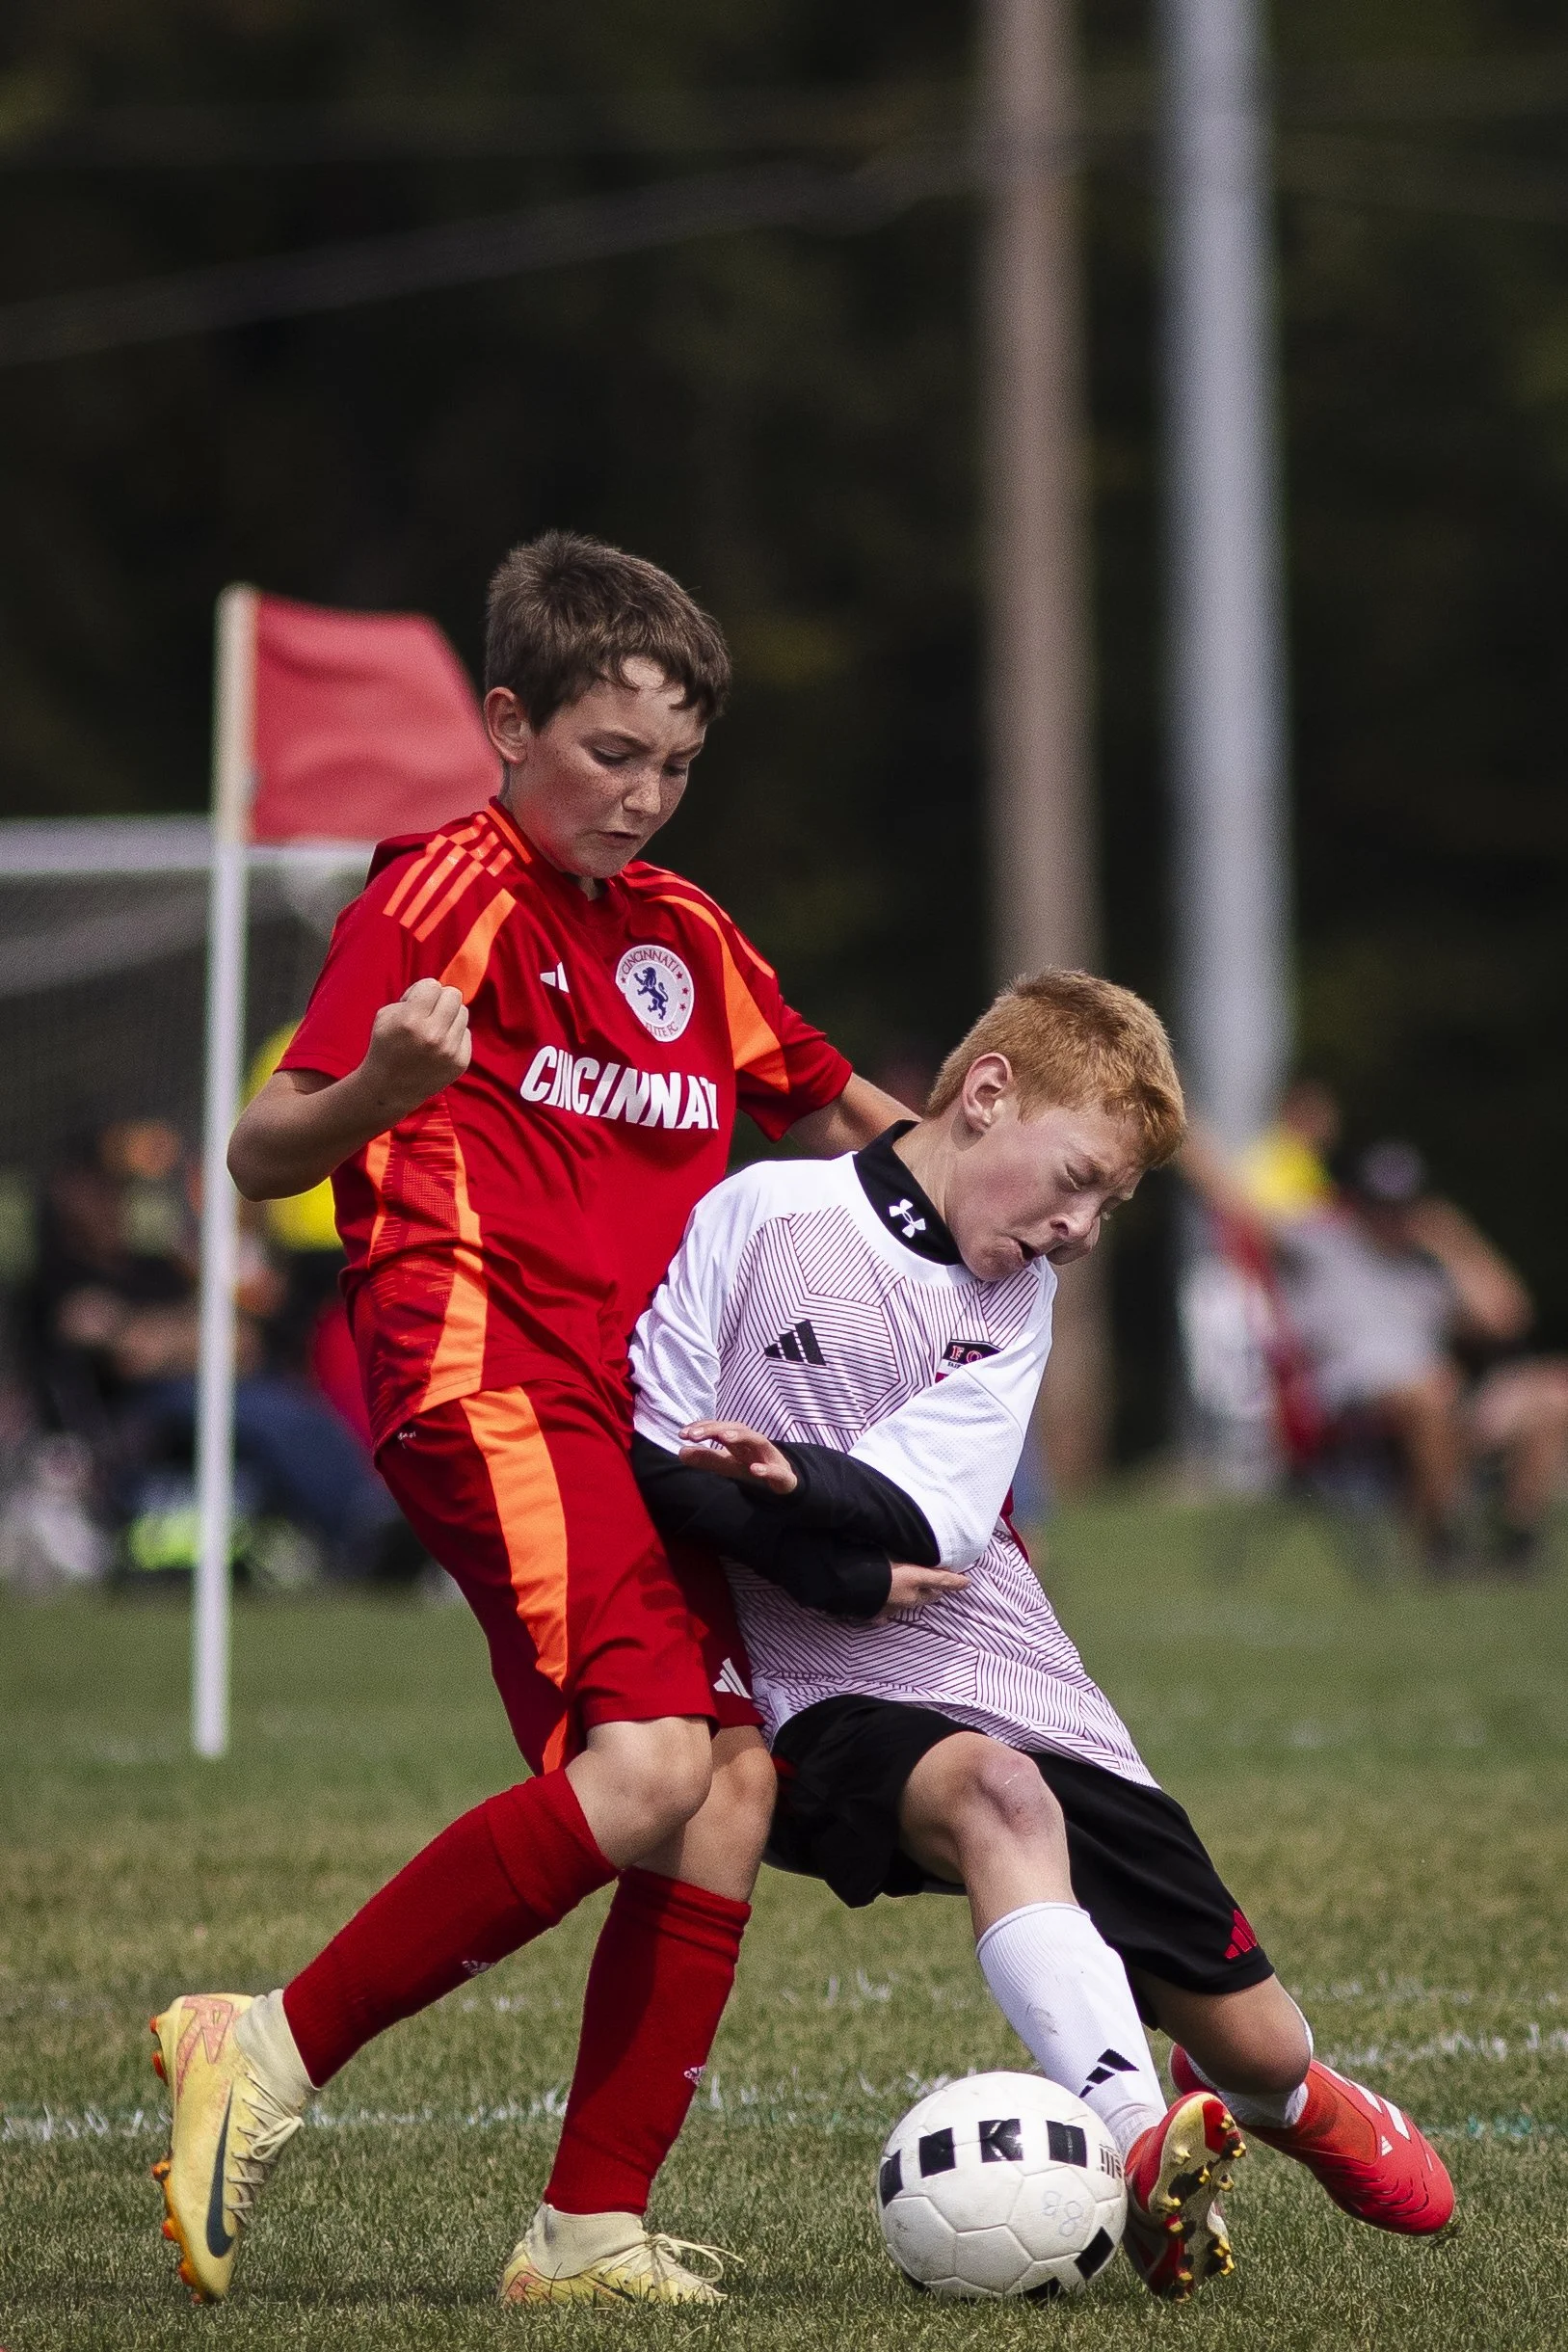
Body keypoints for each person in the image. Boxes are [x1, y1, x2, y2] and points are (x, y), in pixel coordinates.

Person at [147, 533, 906, 2308]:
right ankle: (260, 2045)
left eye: (675, 768)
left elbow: (863, 1127)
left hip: (635, 1424)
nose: (641, 801)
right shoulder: (440, 890)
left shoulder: (685, 937)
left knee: (722, 1788)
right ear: (506, 723)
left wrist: (1019, 1183)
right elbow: (262, 1156)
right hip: (479, 1375)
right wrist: (382, 1090)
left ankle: (583, 2232)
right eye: (608, 756)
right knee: (647, 1768)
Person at [626, 973, 1454, 2302]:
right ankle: (1139, 2144)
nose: (1077, 1227)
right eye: (1072, 1179)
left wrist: (788, 1483)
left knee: (1252, 2037)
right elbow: (656, 1453)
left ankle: (1281, 2096)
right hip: (814, 1681)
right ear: (987, 1091)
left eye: (1108, 1207)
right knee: (992, 1795)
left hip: (1001, 1657)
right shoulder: (764, 1212)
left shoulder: (1011, 1300)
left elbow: (936, 1528)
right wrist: (820, 1562)